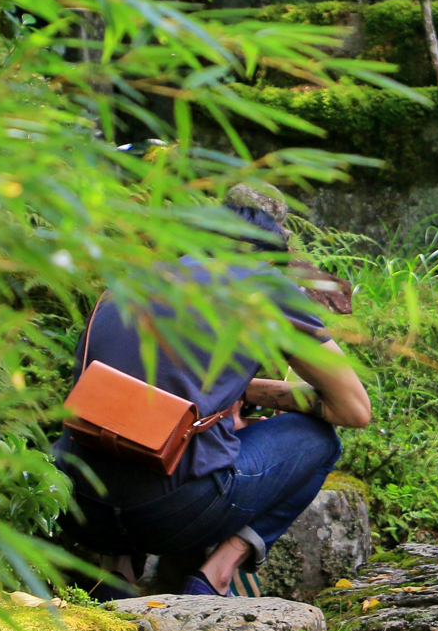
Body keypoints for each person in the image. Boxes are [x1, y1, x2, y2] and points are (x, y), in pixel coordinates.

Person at [52, 204, 372, 598]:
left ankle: (114, 576)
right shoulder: (263, 287)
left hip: (75, 504)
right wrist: (255, 390)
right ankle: (215, 577)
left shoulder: (125, 286)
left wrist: (237, 391)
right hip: (173, 514)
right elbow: (354, 409)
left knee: (115, 430)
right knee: (318, 440)